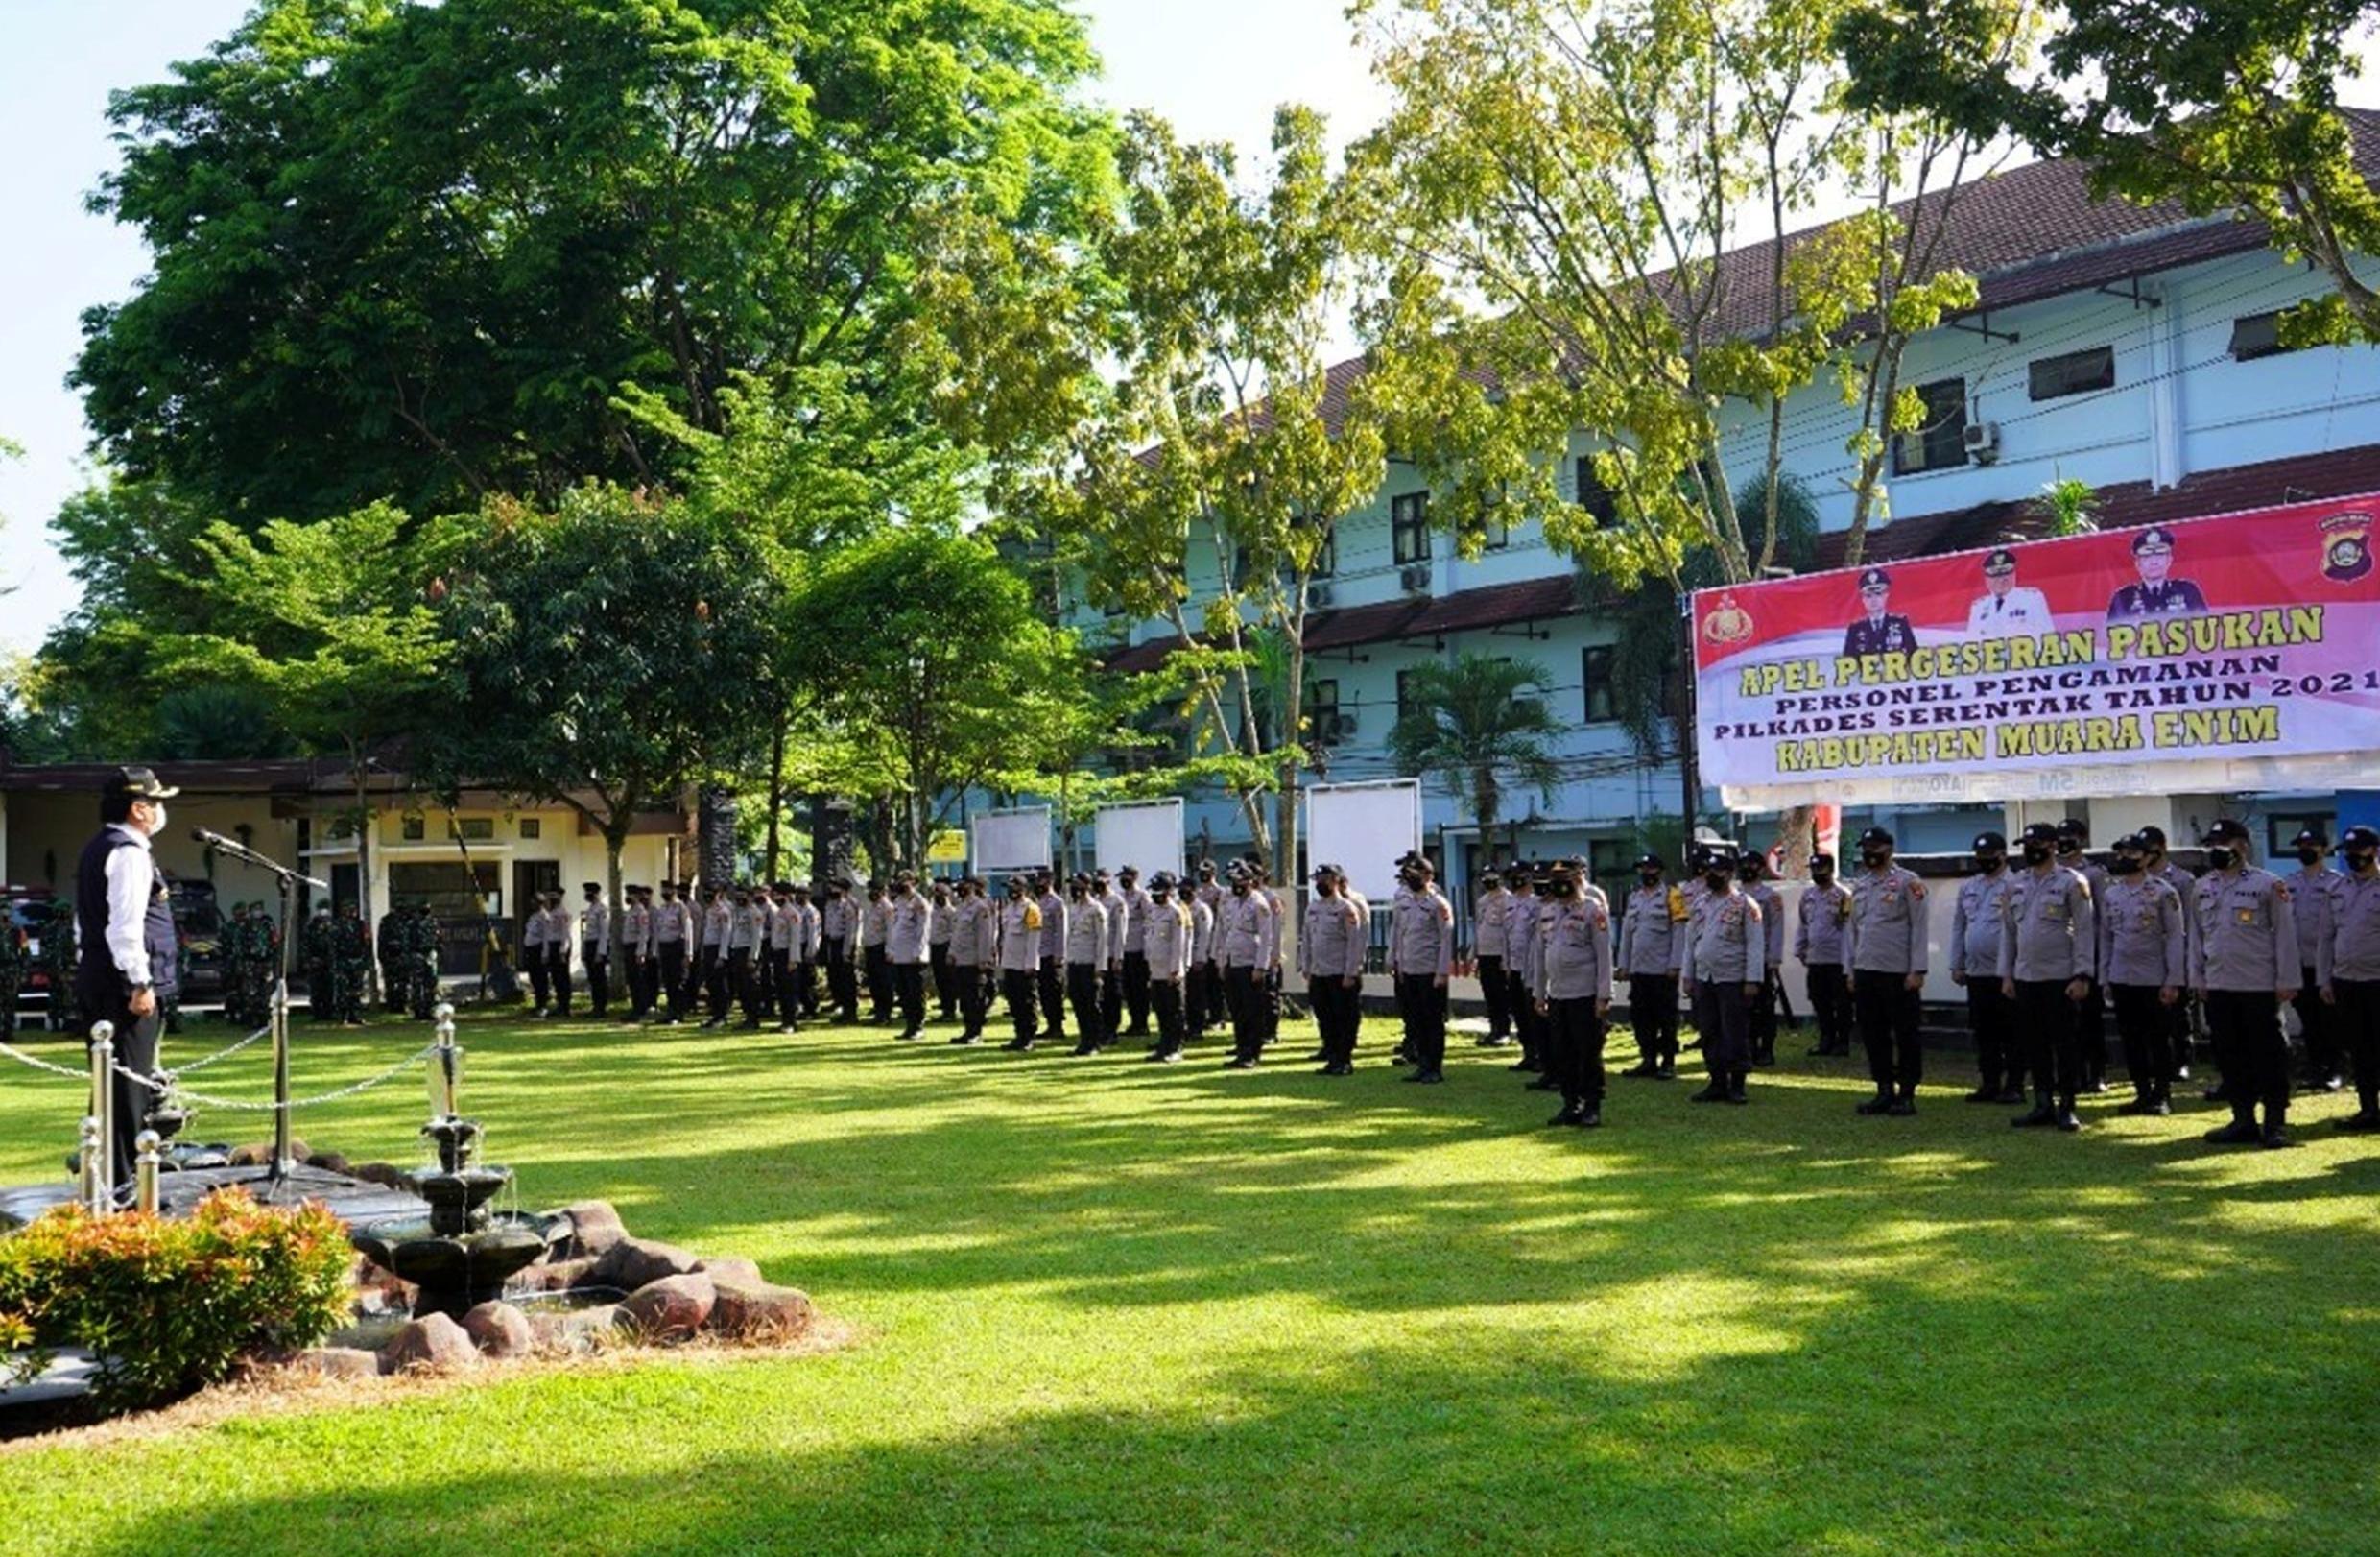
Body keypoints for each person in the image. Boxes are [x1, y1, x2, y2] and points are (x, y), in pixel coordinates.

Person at [73, 766, 179, 1194]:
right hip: (122, 987)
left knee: (110, 1085)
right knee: (127, 1091)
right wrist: (139, 982)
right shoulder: (129, 852)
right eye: (154, 802)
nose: (159, 811)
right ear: (138, 808)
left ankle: (109, 1183)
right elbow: (125, 927)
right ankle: (123, 1191)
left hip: (100, 976)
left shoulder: (98, 847)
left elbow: (86, 927)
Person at [2191, 819, 2298, 1148]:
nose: (2218, 850)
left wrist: (2287, 979)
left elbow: (2284, 935)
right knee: (2229, 1055)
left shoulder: (2268, 885)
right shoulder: (2202, 887)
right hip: (2220, 983)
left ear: (2243, 846)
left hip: (2258, 984)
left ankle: (2275, 1123)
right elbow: (2196, 938)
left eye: (2225, 843)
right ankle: (2243, 1119)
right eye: (2213, 845)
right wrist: (2197, 978)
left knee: (2269, 1055)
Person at [1998, 822, 2097, 1132]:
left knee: (2064, 1044)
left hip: (2061, 977)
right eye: (2026, 845)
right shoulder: (2015, 884)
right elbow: (2009, 932)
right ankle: (2042, 1103)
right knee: (2034, 1044)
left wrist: (2082, 975)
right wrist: (2007, 974)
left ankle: (2067, 1105)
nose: (2029, 851)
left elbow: (2084, 931)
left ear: (2053, 846)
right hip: (2026, 976)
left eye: (2036, 844)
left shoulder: (2072, 882)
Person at [2100, 832, 2187, 1115]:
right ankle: (2142, 1092)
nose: (2125, 858)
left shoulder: (2164, 892)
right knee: (2131, 1038)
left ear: (2147, 857)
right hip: (2122, 976)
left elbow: (2175, 937)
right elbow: (2106, 938)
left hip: (2154, 977)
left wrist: (2173, 979)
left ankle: (2162, 1094)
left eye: (2132, 853)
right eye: (2121, 853)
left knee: (2158, 1038)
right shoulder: (2112, 893)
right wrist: (2105, 978)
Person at [1845, 826, 1929, 1115]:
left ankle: (1906, 1093)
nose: (1869, 854)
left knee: (1906, 1034)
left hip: (1898, 972)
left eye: (1875, 848)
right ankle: (1883, 1089)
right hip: (1867, 969)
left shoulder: (1908, 882)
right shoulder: (1861, 886)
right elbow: (1853, 931)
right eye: (1866, 849)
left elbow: (1919, 927)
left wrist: (1917, 969)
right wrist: (1851, 970)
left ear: (1889, 850)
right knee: (1873, 1033)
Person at [1679, 843, 1762, 1106]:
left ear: (1728, 873)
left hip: (1732, 977)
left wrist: (1752, 979)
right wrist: (1687, 975)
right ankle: (1716, 1082)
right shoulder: (1701, 903)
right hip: (1705, 977)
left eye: (1715, 872)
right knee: (1710, 1031)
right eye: (1707, 872)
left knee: (1734, 1032)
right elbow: (1690, 941)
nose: (1709, 876)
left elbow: (1755, 943)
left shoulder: (1744, 904)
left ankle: (1737, 1085)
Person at [1533, 859, 1614, 1125]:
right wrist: (1538, 993)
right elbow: (1540, 955)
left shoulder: (1593, 911)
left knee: (1587, 1052)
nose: (1558, 885)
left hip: (1585, 994)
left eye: (1564, 879)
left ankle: (1592, 1105)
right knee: (1562, 1052)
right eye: (1554, 879)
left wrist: (1604, 995)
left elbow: (1604, 956)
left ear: (1578, 878)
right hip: (1557, 994)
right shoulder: (1546, 912)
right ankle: (1570, 1103)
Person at [2319, 825, 2380, 1131]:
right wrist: (2324, 979)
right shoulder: (2338, 889)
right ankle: (2368, 1108)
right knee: (2360, 1048)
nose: (2353, 858)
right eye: (2349, 852)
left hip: (2377, 980)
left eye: (2359, 852)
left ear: (2374, 851)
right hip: (2347, 981)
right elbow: (2326, 937)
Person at [1951, 831, 2019, 1104]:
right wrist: (1956, 963)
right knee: (1984, 1031)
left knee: (2011, 1031)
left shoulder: (2016, 884)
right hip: (1977, 971)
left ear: (2002, 855)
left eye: (1989, 857)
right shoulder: (1969, 887)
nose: (1984, 862)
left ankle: (2013, 1084)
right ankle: (1989, 1082)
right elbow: (1959, 926)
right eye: (1980, 858)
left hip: (2005, 972)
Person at [2285, 827, 2345, 1091]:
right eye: (2301, 846)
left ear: (2324, 849)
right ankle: (2314, 1067)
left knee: (2330, 1020)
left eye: (2310, 845)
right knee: (2308, 1019)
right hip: (2300, 963)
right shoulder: (2289, 882)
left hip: (2328, 964)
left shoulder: (2336, 882)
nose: (2304, 850)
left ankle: (2335, 1069)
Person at [2055, 818, 2112, 1091]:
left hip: (2088, 955)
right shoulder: (2049, 874)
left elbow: (2102, 917)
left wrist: (2098, 958)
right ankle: (2071, 1073)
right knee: (2065, 1022)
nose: (2065, 841)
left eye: (2071, 836)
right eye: (2061, 836)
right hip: (2058, 958)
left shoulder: (2094, 874)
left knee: (2090, 1018)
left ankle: (2096, 1072)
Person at [1616, 855, 1683, 1079]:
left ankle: (1668, 1061)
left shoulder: (1673, 896)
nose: (1646, 872)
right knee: (1641, 1018)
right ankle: (1648, 1059)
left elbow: (1679, 933)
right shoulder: (1634, 898)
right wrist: (1623, 964)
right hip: (1639, 969)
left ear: (1660, 871)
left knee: (1666, 1018)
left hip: (1662, 970)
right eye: (1643, 868)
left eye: (1651, 868)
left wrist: (1675, 964)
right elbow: (1626, 934)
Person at [1391, 855, 1456, 1085]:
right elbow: (1398, 934)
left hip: (1430, 971)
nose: (1410, 879)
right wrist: (1396, 961)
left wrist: (1442, 972)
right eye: (1408, 875)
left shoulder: (1438, 905)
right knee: (1415, 1020)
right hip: (1409, 969)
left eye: (1416, 875)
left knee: (1432, 1021)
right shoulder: (1404, 903)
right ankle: (1422, 1064)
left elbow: (1446, 940)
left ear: (1429, 876)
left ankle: (1434, 1067)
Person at [1301, 863, 1368, 1075]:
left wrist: (1351, 972)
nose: (1321, 884)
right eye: (1318, 880)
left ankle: (1344, 1060)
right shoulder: (1313, 908)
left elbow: (1355, 944)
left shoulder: (1347, 909)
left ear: (1336, 882)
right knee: (1325, 1016)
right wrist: (1306, 967)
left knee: (1344, 1018)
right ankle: (1331, 1057)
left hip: (1340, 973)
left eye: (1325, 880)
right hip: (1319, 972)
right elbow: (1307, 939)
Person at [1797, 851, 1854, 1059]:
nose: (1816, 873)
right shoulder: (1808, 895)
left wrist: (1850, 960)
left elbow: (1850, 929)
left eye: (1820, 869)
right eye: (1813, 869)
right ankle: (1826, 1039)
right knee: (1819, 1001)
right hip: (1815, 957)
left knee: (1842, 1003)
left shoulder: (1844, 895)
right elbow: (1803, 924)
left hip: (1838, 958)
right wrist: (1800, 947)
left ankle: (1843, 1041)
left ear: (1831, 870)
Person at [1219, 863, 1275, 1069]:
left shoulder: (1258, 903)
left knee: (1253, 1010)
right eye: (1233, 881)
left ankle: (1253, 1052)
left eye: (1240, 881)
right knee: (1237, 1010)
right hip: (1233, 962)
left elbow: (1267, 937)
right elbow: (1226, 933)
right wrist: (1222, 961)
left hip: (1250, 964)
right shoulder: (1232, 903)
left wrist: (1260, 967)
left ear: (1250, 881)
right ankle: (1241, 1049)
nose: (1236, 885)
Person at [1737, 852, 1785, 1066]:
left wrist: (1774, 959)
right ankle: (1748, 1047)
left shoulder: (1770, 896)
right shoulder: (1733, 894)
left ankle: (1766, 1050)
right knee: (1742, 1008)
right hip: (1738, 960)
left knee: (1764, 1008)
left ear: (1762, 868)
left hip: (1763, 959)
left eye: (1752, 865)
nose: (1747, 868)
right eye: (1744, 864)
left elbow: (1776, 928)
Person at [1142, 872, 1196, 1063]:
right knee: (1161, 1010)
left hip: (1171, 970)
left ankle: (1175, 1048)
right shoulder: (1153, 911)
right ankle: (1163, 1045)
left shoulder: (1177, 912)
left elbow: (1180, 944)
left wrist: (1177, 969)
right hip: (1155, 969)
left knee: (1174, 1011)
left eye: (1160, 892)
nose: (1156, 896)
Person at [2106, 525, 2208, 619]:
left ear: (2169, 559)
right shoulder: (2123, 598)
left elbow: (2205, 629)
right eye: (2146, 556)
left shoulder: (2188, 591)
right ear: (2138, 563)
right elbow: (2110, 635)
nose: (2154, 562)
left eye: (2160, 555)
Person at [1062, 874, 1109, 1055]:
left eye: (1077, 885)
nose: (1074, 889)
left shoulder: (1096, 909)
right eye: (1072, 885)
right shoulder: (1073, 908)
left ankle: (1094, 1042)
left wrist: (1100, 967)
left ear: (1087, 886)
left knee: (1091, 1005)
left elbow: (1102, 940)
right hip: (1075, 961)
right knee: (1078, 1003)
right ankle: (1084, 1040)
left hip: (1090, 964)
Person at [997, 876, 1045, 1050]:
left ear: (1023, 889)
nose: (1011, 891)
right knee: (1014, 1001)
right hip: (1010, 962)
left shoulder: (1031, 909)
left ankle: (1028, 1037)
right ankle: (1019, 1035)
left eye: (1014, 887)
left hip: (1024, 965)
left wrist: (1031, 964)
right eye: (1009, 888)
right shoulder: (1008, 909)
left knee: (1027, 1002)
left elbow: (1034, 939)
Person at [945, 877, 995, 1045]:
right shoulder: (960, 908)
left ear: (972, 887)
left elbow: (984, 936)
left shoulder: (980, 908)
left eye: (964, 886)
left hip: (974, 960)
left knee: (975, 997)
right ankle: (967, 1030)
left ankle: (976, 1032)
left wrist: (984, 959)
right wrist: (952, 953)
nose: (960, 889)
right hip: (960, 959)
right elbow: (956, 934)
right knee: (964, 998)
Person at [1965, 547, 2053, 636]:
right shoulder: (1978, 606)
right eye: (1995, 576)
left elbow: (2047, 634)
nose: (2001, 580)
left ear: (2014, 574)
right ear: (1987, 579)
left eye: (2006, 574)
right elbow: (1972, 640)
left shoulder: (2032, 598)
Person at [888, 872, 933, 1042]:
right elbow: (894, 929)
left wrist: (918, 952)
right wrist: (891, 951)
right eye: (899, 880)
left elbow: (923, 931)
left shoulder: (920, 903)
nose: (901, 883)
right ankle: (909, 1025)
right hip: (900, 955)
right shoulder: (898, 902)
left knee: (915, 993)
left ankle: (918, 1026)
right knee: (904, 993)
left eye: (905, 881)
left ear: (914, 882)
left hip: (914, 957)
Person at [1843, 567, 1916, 657]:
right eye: (1869, 596)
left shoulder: (1901, 624)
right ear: (1863, 599)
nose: (1874, 600)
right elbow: (1848, 663)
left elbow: (1914, 657)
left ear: (1886, 595)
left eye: (1878, 594)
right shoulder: (1855, 629)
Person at [1116, 866, 1153, 1040]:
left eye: (1126, 877)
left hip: (1139, 949)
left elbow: (1149, 921)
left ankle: (1142, 1023)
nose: (1123, 880)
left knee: (1140, 989)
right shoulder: (1120, 898)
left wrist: (1148, 949)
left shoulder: (1143, 897)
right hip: (1124, 949)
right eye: (1122, 877)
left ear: (1134, 877)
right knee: (1128, 989)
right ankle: (1134, 1022)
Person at [1033, 871, 1068, 1044]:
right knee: (1044, 992)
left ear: (1050, 881)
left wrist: (1059, 955)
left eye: (1042, 880)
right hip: (1039, 953)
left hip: (1051, 955)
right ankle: (1050, 1025)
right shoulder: (1037, 902)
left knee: (1054, 991)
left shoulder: (1057, 903)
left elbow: (1061, 931)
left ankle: (1057, 1026)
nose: (1039, 883)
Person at [653, 881, 695, 1024]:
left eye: (668, 889)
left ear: (674, 891)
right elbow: (658, 931)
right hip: (665, 948)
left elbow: (687, 931)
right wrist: (657, 950)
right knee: (668, 982)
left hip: (677, 948)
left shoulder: (681, 908)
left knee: (678, 982)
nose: (665, 892)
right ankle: (670, 1012)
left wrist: (688, 953)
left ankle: (679, 1013)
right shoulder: (662, 909)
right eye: (663, 889)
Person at [860, 879, 893, 1024]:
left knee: (883, 982)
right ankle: (878, 1009)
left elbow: (891, 931)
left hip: (882, 948)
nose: (870, 893)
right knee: (874, 981)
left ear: (881, 891)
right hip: (871, 947)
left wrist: (889, 950)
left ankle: (885, 1013)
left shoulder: (887, 908)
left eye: (873, 890)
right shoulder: (871, 907)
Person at [538, 892, 575, 1019]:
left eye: (548, 901)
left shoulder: (562, 914)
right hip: (552, 946)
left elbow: (565, 933)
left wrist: (562, 951)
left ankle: (565, 1006)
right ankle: (560, 1004)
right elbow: (547, 935)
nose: (546, 904)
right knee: (555, 978)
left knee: (562, 977)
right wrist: (546, 952)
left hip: (560, 947)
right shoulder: (551, 915)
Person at [581, 882, 612, 1019]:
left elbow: (604, 932)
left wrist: (601, 952)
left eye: (589, 892)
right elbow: (587, 932)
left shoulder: (601, 910)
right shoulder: (591, 909)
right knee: (592, 978)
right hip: (589, 944)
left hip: (598, 946)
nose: (586, 895)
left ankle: (601, 1007)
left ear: (596, 893)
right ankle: (595, 1005)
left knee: (599, 978)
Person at [928, 880, 958, 1022]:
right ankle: (945, 1007)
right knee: (939, 979)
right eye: (936, 894)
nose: (938, 898)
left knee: (948, 981)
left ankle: (950, 1010)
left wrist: (951, 952)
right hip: (934, 947)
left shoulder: (951, 912)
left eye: (941, 895)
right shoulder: (931, 911)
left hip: (946, 946)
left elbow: (954, 933)